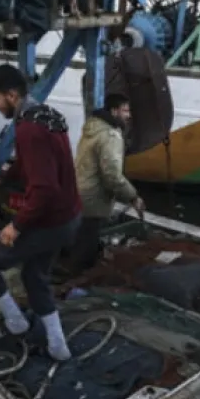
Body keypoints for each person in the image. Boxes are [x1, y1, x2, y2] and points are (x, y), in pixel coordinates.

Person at [0, 64, 83, 360]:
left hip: (50, 222)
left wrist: (16, 227)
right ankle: (58, 346)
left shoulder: (29, 129)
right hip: (69, 216)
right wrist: (4, 178)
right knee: (35, 277)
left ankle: (17, 324)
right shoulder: (43, 116)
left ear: (12, 95)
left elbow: (45, 190)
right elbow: (30, 163)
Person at [70, 93, 142, 274]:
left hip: (79, 191)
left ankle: (72, 273)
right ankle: (78, 282)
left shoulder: (92, 128)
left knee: (80, 237)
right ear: (114, 111)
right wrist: (132, 196)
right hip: (94, 198)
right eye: (125, 110)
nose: (128, 115)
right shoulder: (111, 136)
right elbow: (112, 175)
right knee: (87, 245)